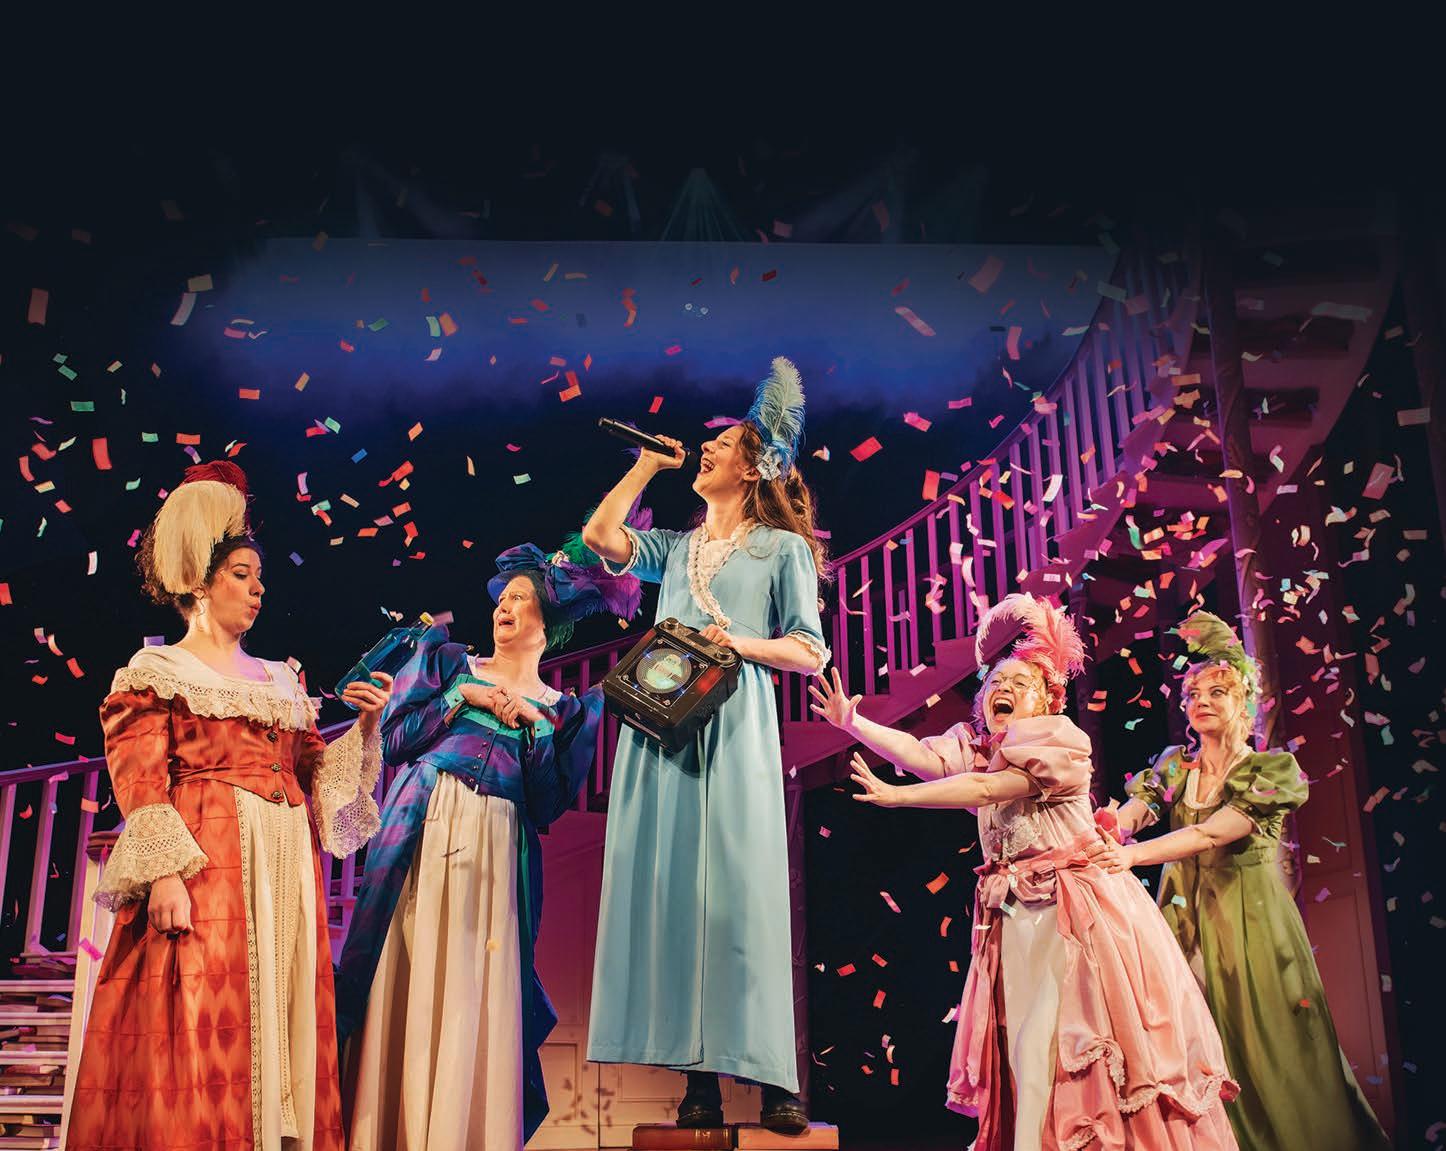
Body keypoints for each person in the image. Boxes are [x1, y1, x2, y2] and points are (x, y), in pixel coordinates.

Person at [812, 593, 1240, 1151]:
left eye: (1021, 683)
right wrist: (854, 723)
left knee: (1070, 1046)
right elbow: (922, 755)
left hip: (1077, 915)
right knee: (1025, 1054)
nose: (1005, 689)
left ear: (1047, 700)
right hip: (1014, 916)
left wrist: (899, 798)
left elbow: (988, 788)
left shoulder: (1061, 744)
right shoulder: (981, 747)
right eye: (996, 683)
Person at [67, 460, 391, 1151]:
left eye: (259, 578)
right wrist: (163, 874)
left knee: (286, 1012)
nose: (257, 589)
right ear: (201, 582)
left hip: (286, 868)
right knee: (207, 1017)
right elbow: (140, 778)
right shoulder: (159, 673)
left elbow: (312, 774)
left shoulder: (280, 680)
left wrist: (365, 727)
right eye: (242, 575)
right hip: (209, 863)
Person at [582, 358, 831, 1135]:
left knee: (740, 894)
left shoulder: (781, 550)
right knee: (680, 895)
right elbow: (599, 536)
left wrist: (740, 644)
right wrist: (645, 466)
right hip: (665, 726)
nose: (706, 448)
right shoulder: (676, 547)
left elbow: (810, 649)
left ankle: (777, 1076)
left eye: (722, 444)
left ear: (754, 467)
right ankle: (699, 1079)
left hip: (734, 722)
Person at [336, 538, 640, 1151]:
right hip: (425, 829)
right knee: (409, 970)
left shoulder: (564, 711)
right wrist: (461, 698)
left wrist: (533, 731)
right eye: (503, 598)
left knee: (474, 987)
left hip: (498, 849)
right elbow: (394, 741)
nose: (505, 606)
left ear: (547, 625)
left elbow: (547, 804)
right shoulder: (450, 664)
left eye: (521, 599)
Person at [1089, 611, 1391, 1151]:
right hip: (1182, 914)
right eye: (1193, 694)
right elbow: (1141, 806)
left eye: (1217, 692)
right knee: (1186, 1034)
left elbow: (1211, 833)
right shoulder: (1176, 765)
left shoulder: (1268, 771)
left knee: (1266, 1042)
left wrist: (1133, 856)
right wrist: (1114, 825)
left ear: (1244, 703)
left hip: (1247, 919)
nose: (1201, 701)